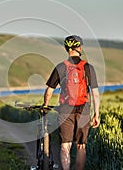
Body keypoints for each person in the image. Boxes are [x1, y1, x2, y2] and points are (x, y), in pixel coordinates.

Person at [43, 35, 100, 170]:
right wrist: (96, 114)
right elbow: (95, 94)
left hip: (65, 110)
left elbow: (49, 91)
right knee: (81, 145)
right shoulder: (88, 67)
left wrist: (45, 106)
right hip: (84, 110)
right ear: (78, 48)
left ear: (67, 48)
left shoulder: (61, 67)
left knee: (65, 145)